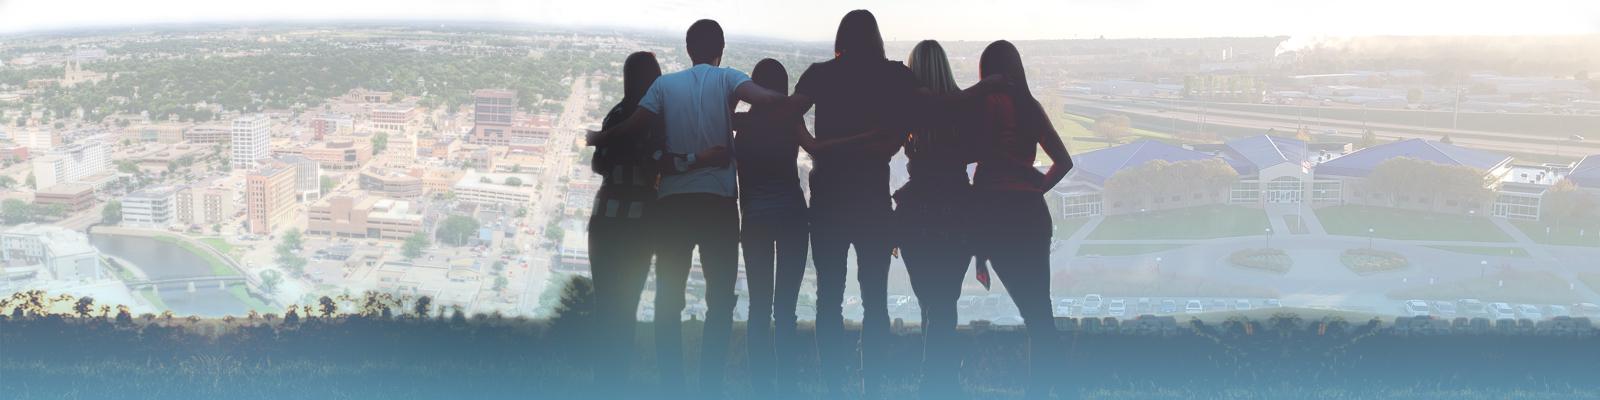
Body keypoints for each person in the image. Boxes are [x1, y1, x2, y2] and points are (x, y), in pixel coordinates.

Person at [586, 19, 787, 398]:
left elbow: (616, 155)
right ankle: (708, 385)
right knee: (720, 299)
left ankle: (666, 385)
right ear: (721, 49)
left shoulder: (651, 96)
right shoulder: (723, 80)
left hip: (660, 211)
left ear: (687, 49)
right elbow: (765, 101)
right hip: (714, 206)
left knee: (662, 300)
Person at [786, 10, 918, 395]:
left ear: (841, 38)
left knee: (829, 295)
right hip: (872, 199)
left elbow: (791, 112)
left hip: (828, 196)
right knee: (875, 297)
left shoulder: (820, 74)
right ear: (876, 36)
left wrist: (812, 145)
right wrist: (885, 140)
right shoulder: (895, 76)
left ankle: (833, 383)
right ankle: (871, 383)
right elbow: (921, 108)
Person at [970, 40, 1073, 400]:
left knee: (1032, 310)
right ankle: (1048, 385)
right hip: (1029, 214)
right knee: (1038, 308)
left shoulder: (981, 106)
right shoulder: (1031, 108)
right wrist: (1034, 189)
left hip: (994, 213)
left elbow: (962, 152)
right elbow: (1064, 162)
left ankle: (1048, 387)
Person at [895, 40, 982, 400]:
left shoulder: (908, 108)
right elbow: (977, 150)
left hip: (917, 213)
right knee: (946, 297)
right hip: (958, 210)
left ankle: (936, 377)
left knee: (929, 298)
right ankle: (942, 377)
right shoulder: (965, 108)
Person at [584, 51, 662, 398]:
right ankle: (619, 382)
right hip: (640, 222)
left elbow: (598, 165)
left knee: (606, 305)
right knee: (627, 304)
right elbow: (659, 165)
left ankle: (603, 380)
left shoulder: (615, 114)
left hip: (604, 218)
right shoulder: (661, 117)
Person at [731, 58, 808, 397]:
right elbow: (814, 148)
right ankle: (788, 384)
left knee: (759, 305)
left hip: (756, 219)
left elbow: (719, 112)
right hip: (793, 215)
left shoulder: (738, 123)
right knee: (786, 308)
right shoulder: (792, 119)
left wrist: (741, 94)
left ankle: (759, 385)